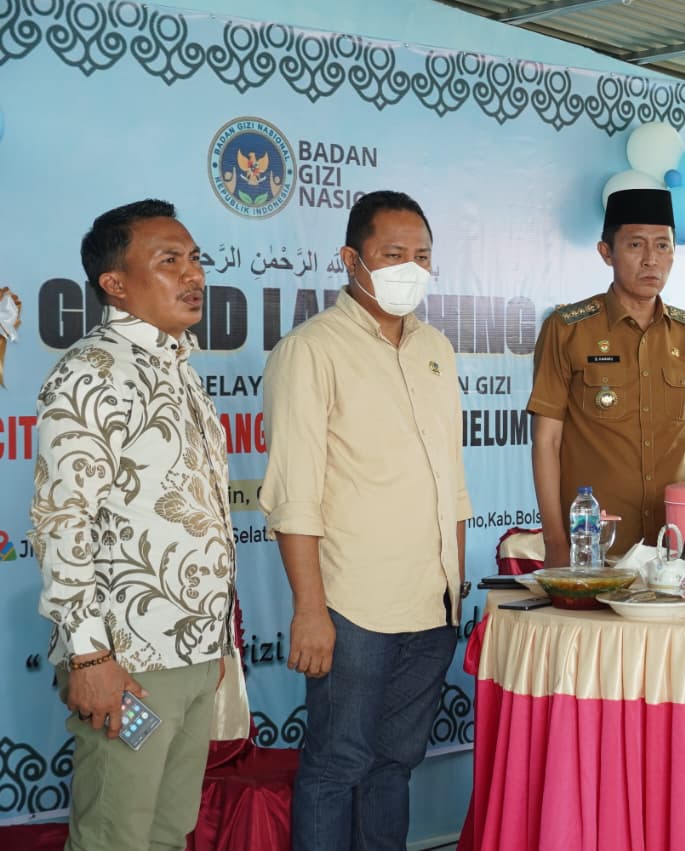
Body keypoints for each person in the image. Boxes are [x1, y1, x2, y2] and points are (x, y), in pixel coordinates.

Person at [260, 190, 471, 851]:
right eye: (393, 254)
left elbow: (452, 482)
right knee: (335, 765)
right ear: (351, 259)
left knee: (394, 765)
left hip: (431, 604)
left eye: (422, 256)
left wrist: (455, 586)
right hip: (352, 607)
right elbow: (294, 493)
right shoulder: (311, 349)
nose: (411, 268)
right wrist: (310, 610)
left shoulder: (437, 348)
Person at [30, 199, 236, 850]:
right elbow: (63, 520)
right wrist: (90, 656)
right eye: (169, 260)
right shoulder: (90, 371)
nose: (193, 274)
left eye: (195, 258)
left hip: (193, 654)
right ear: (115, 283)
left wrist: (212, 645)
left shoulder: (181, 370)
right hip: (128, 663)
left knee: (168, 832)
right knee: (114, 837)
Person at [527, 188, 685, 566]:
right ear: (607, 253)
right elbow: (546, 441)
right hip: (596, 548)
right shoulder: (568, 329)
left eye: (663, 246)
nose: (651, 259)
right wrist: (555, 540)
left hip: (675, 547)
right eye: (636, 245)